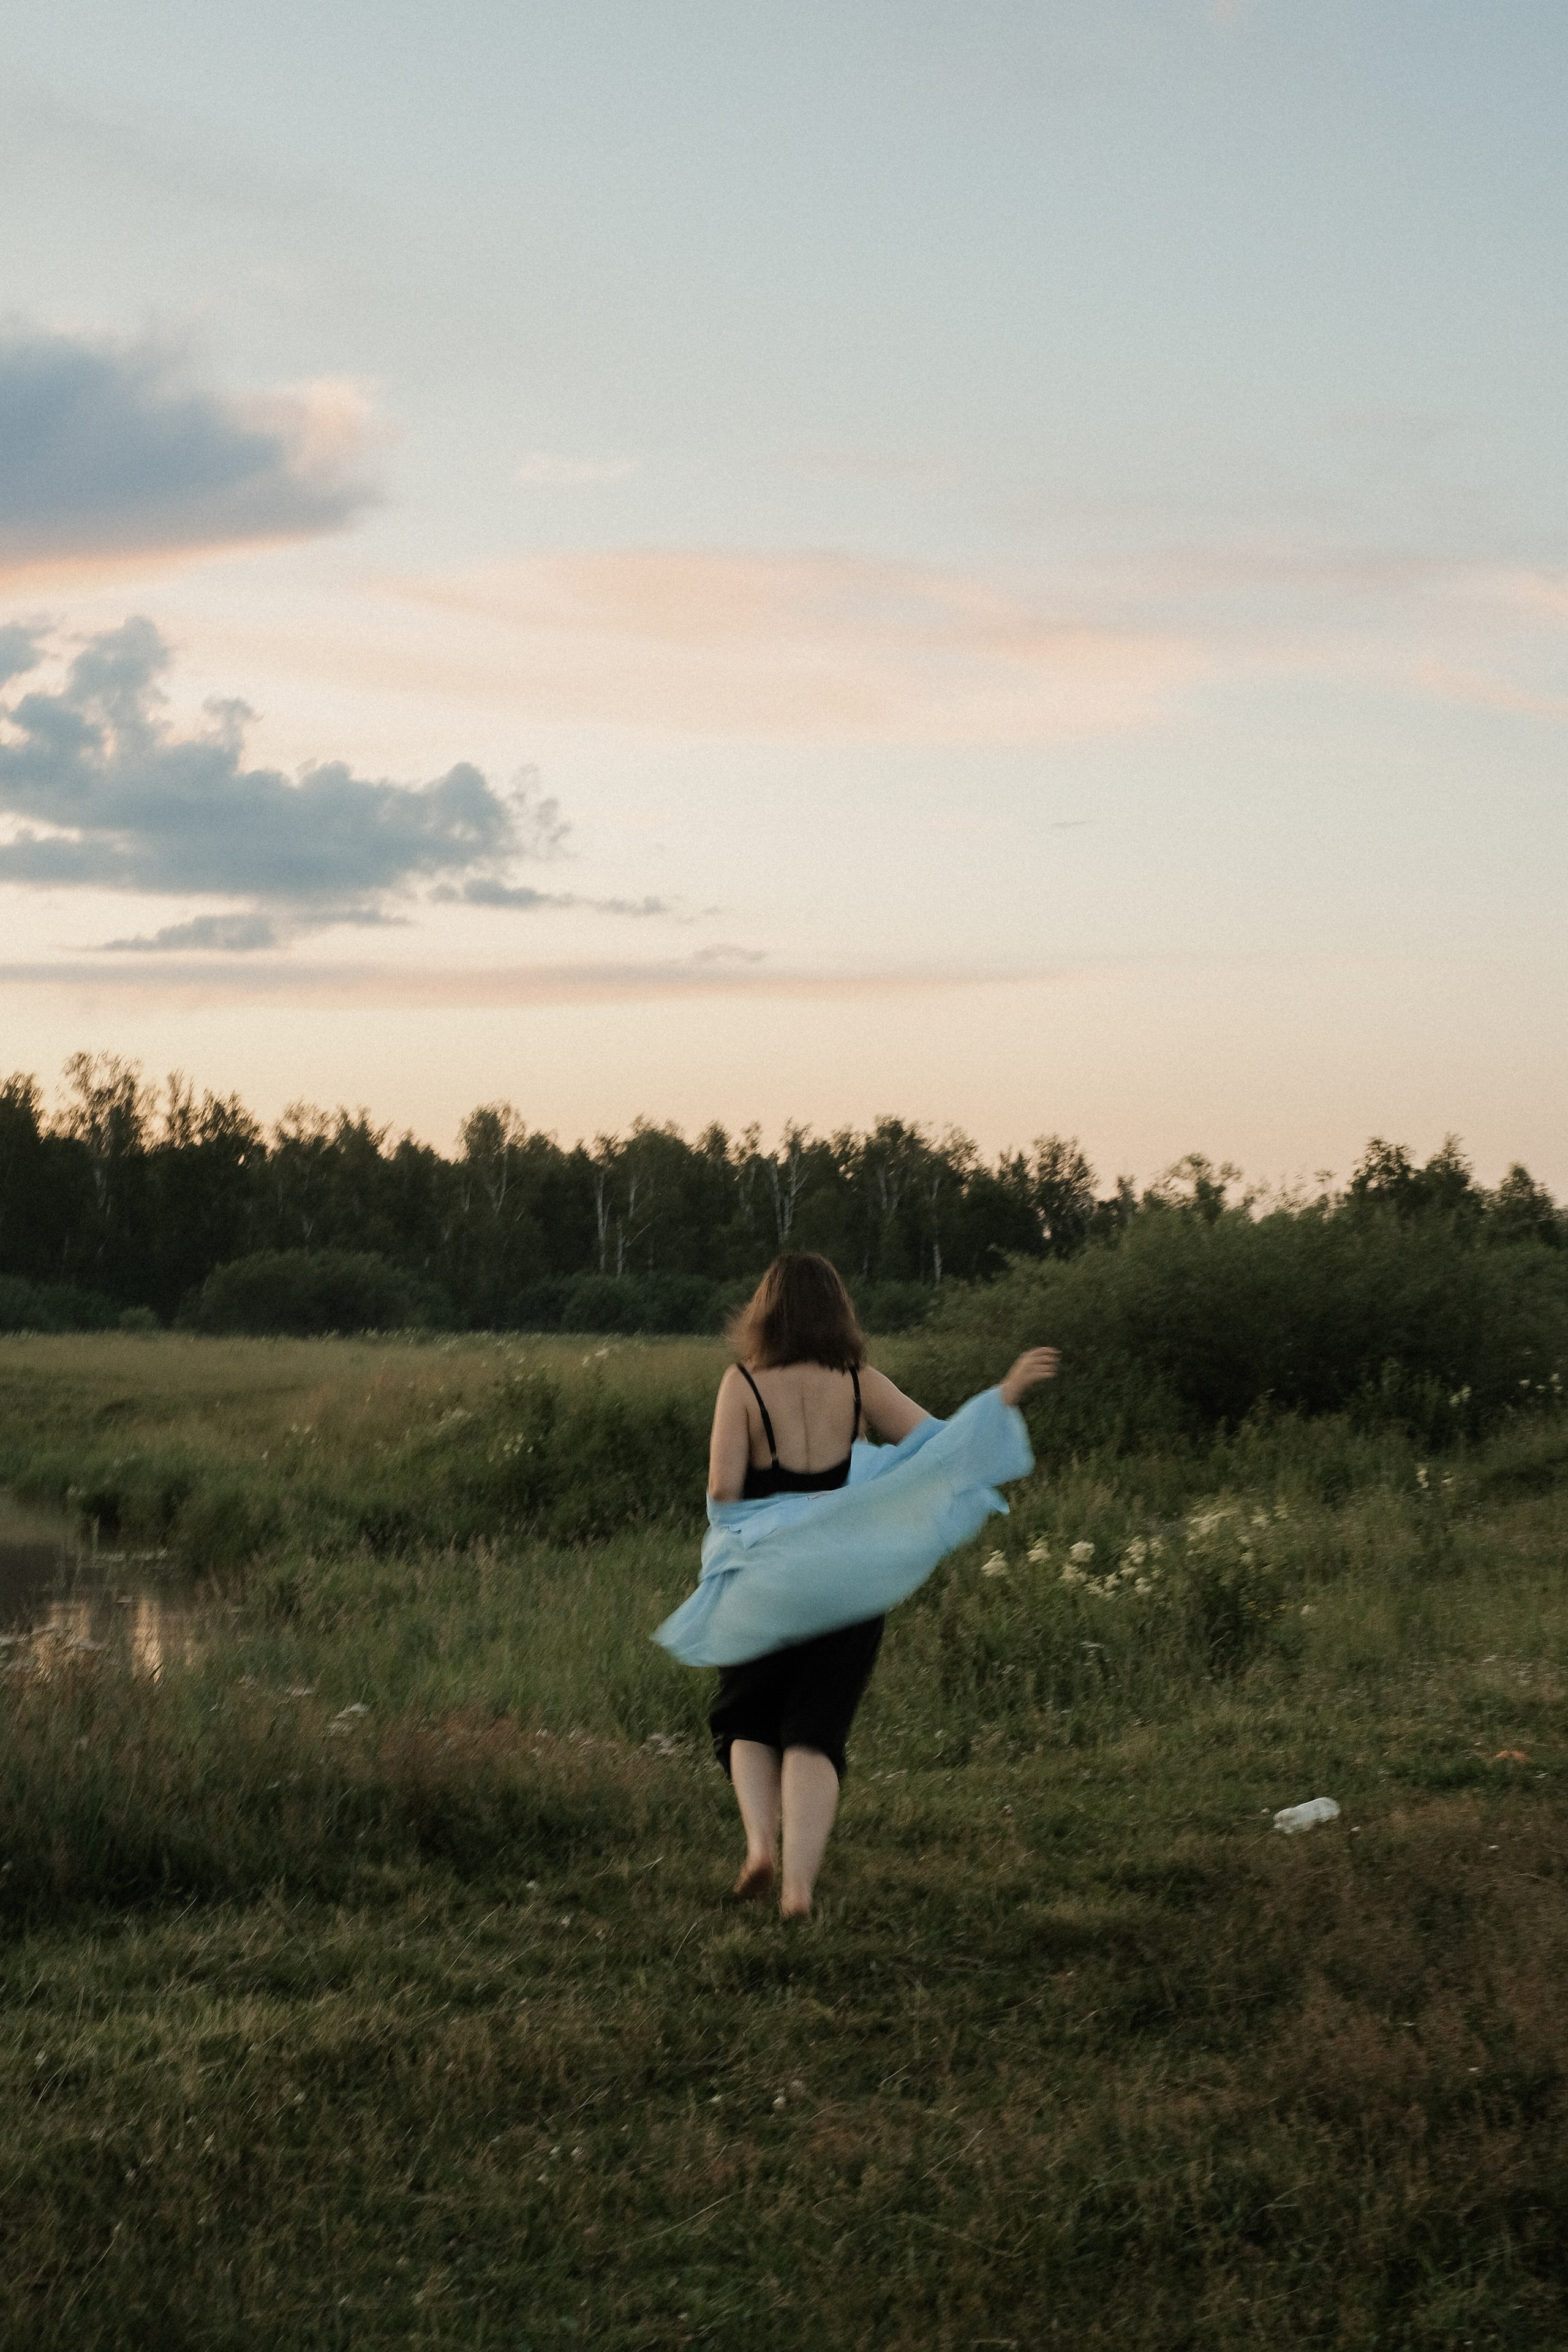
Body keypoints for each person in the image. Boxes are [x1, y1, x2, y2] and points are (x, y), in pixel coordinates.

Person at [704, 1251, 1058, 1920]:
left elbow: (723, 1489)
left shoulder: (741, 1385)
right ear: (838, 1310)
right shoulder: (859, 1382)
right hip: (845, 1577)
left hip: (763, 1575)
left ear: (765, 1312)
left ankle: (758, 1847)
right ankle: (799, 1889)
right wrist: (1004, 1391)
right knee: (815, 1728)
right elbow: (941, 1448)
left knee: (747, 1714)